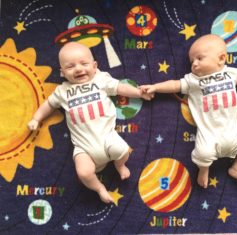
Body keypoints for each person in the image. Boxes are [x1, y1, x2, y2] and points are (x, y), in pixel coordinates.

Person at [141, 34, 237, 188]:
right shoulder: (193, 80)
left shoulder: (230, 73)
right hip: (208, 134)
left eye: (199, 58)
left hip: (232, 132)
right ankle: (204, 169)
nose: (194, 64)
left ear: (221, 59)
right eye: (191, 61)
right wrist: (155, 87)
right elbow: (174, 85)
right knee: (203, 155)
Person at [28, 42, 153, 203]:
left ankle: (119, 165)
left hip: (107, 137)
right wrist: (36, 118)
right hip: (83, 147)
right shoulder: (62, 91)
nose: (78, 69)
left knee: (122, 150)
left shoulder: (101, 79)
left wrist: (138, 93)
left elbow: (120, 88)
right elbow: (49, 105)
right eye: (70, 67)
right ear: (62, 73)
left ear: (95, 66)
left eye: (84, 64)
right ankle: (99, 188)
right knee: (84, 173)